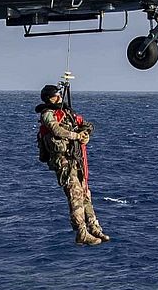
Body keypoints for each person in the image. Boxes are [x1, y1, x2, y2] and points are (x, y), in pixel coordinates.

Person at [36, 84, 108, 245]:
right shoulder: (47, 114)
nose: (60, 98)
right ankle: (81, 232)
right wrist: (76, 135)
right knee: (75, 195)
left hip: (76, 159)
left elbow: (85, 124)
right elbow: (56, 131)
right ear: (49, 98)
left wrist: (85, 134)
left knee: (85, 194)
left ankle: (94, 227)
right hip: (64, 162)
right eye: (56, 95)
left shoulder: (67, 114)